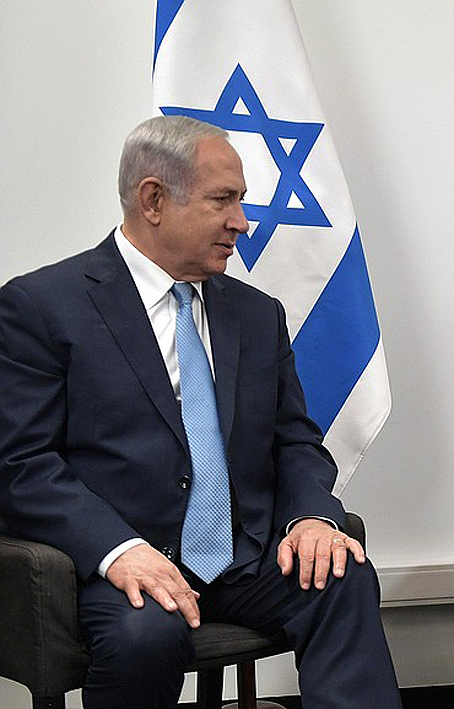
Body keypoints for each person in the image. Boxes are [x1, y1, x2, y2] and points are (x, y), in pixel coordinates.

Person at [0, 115, 402, 709]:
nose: (242, 222)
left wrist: (312, 517)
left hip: (244, 558)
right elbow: (22, 464)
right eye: (223, 200)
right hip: (120, 561)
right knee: (146, 635)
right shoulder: (42, 307)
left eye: (240, 201)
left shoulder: (257, 314)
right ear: (154, 200)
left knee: (340, 577)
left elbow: (294, 442)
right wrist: (117, 550)